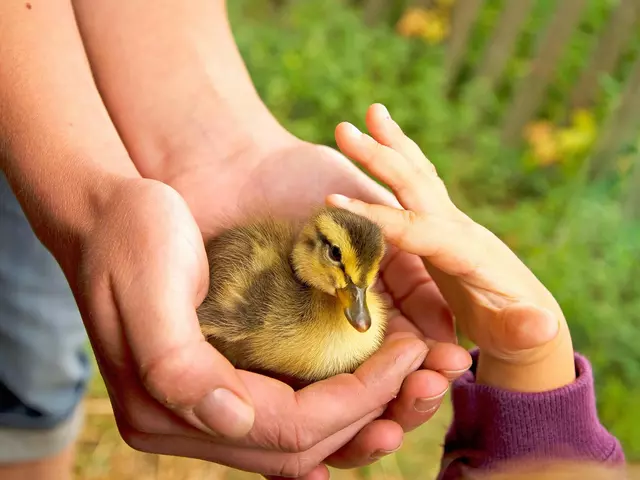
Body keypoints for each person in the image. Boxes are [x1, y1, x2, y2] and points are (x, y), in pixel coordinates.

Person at [0, 4, 625, 480]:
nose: (360, 303)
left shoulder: (349, 295)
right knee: (27, 343)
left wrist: (194, 147)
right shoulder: (273, 289)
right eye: (344, 269)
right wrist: (86, 201)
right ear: (312, 248)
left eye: (365, 279)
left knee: (28, 362)